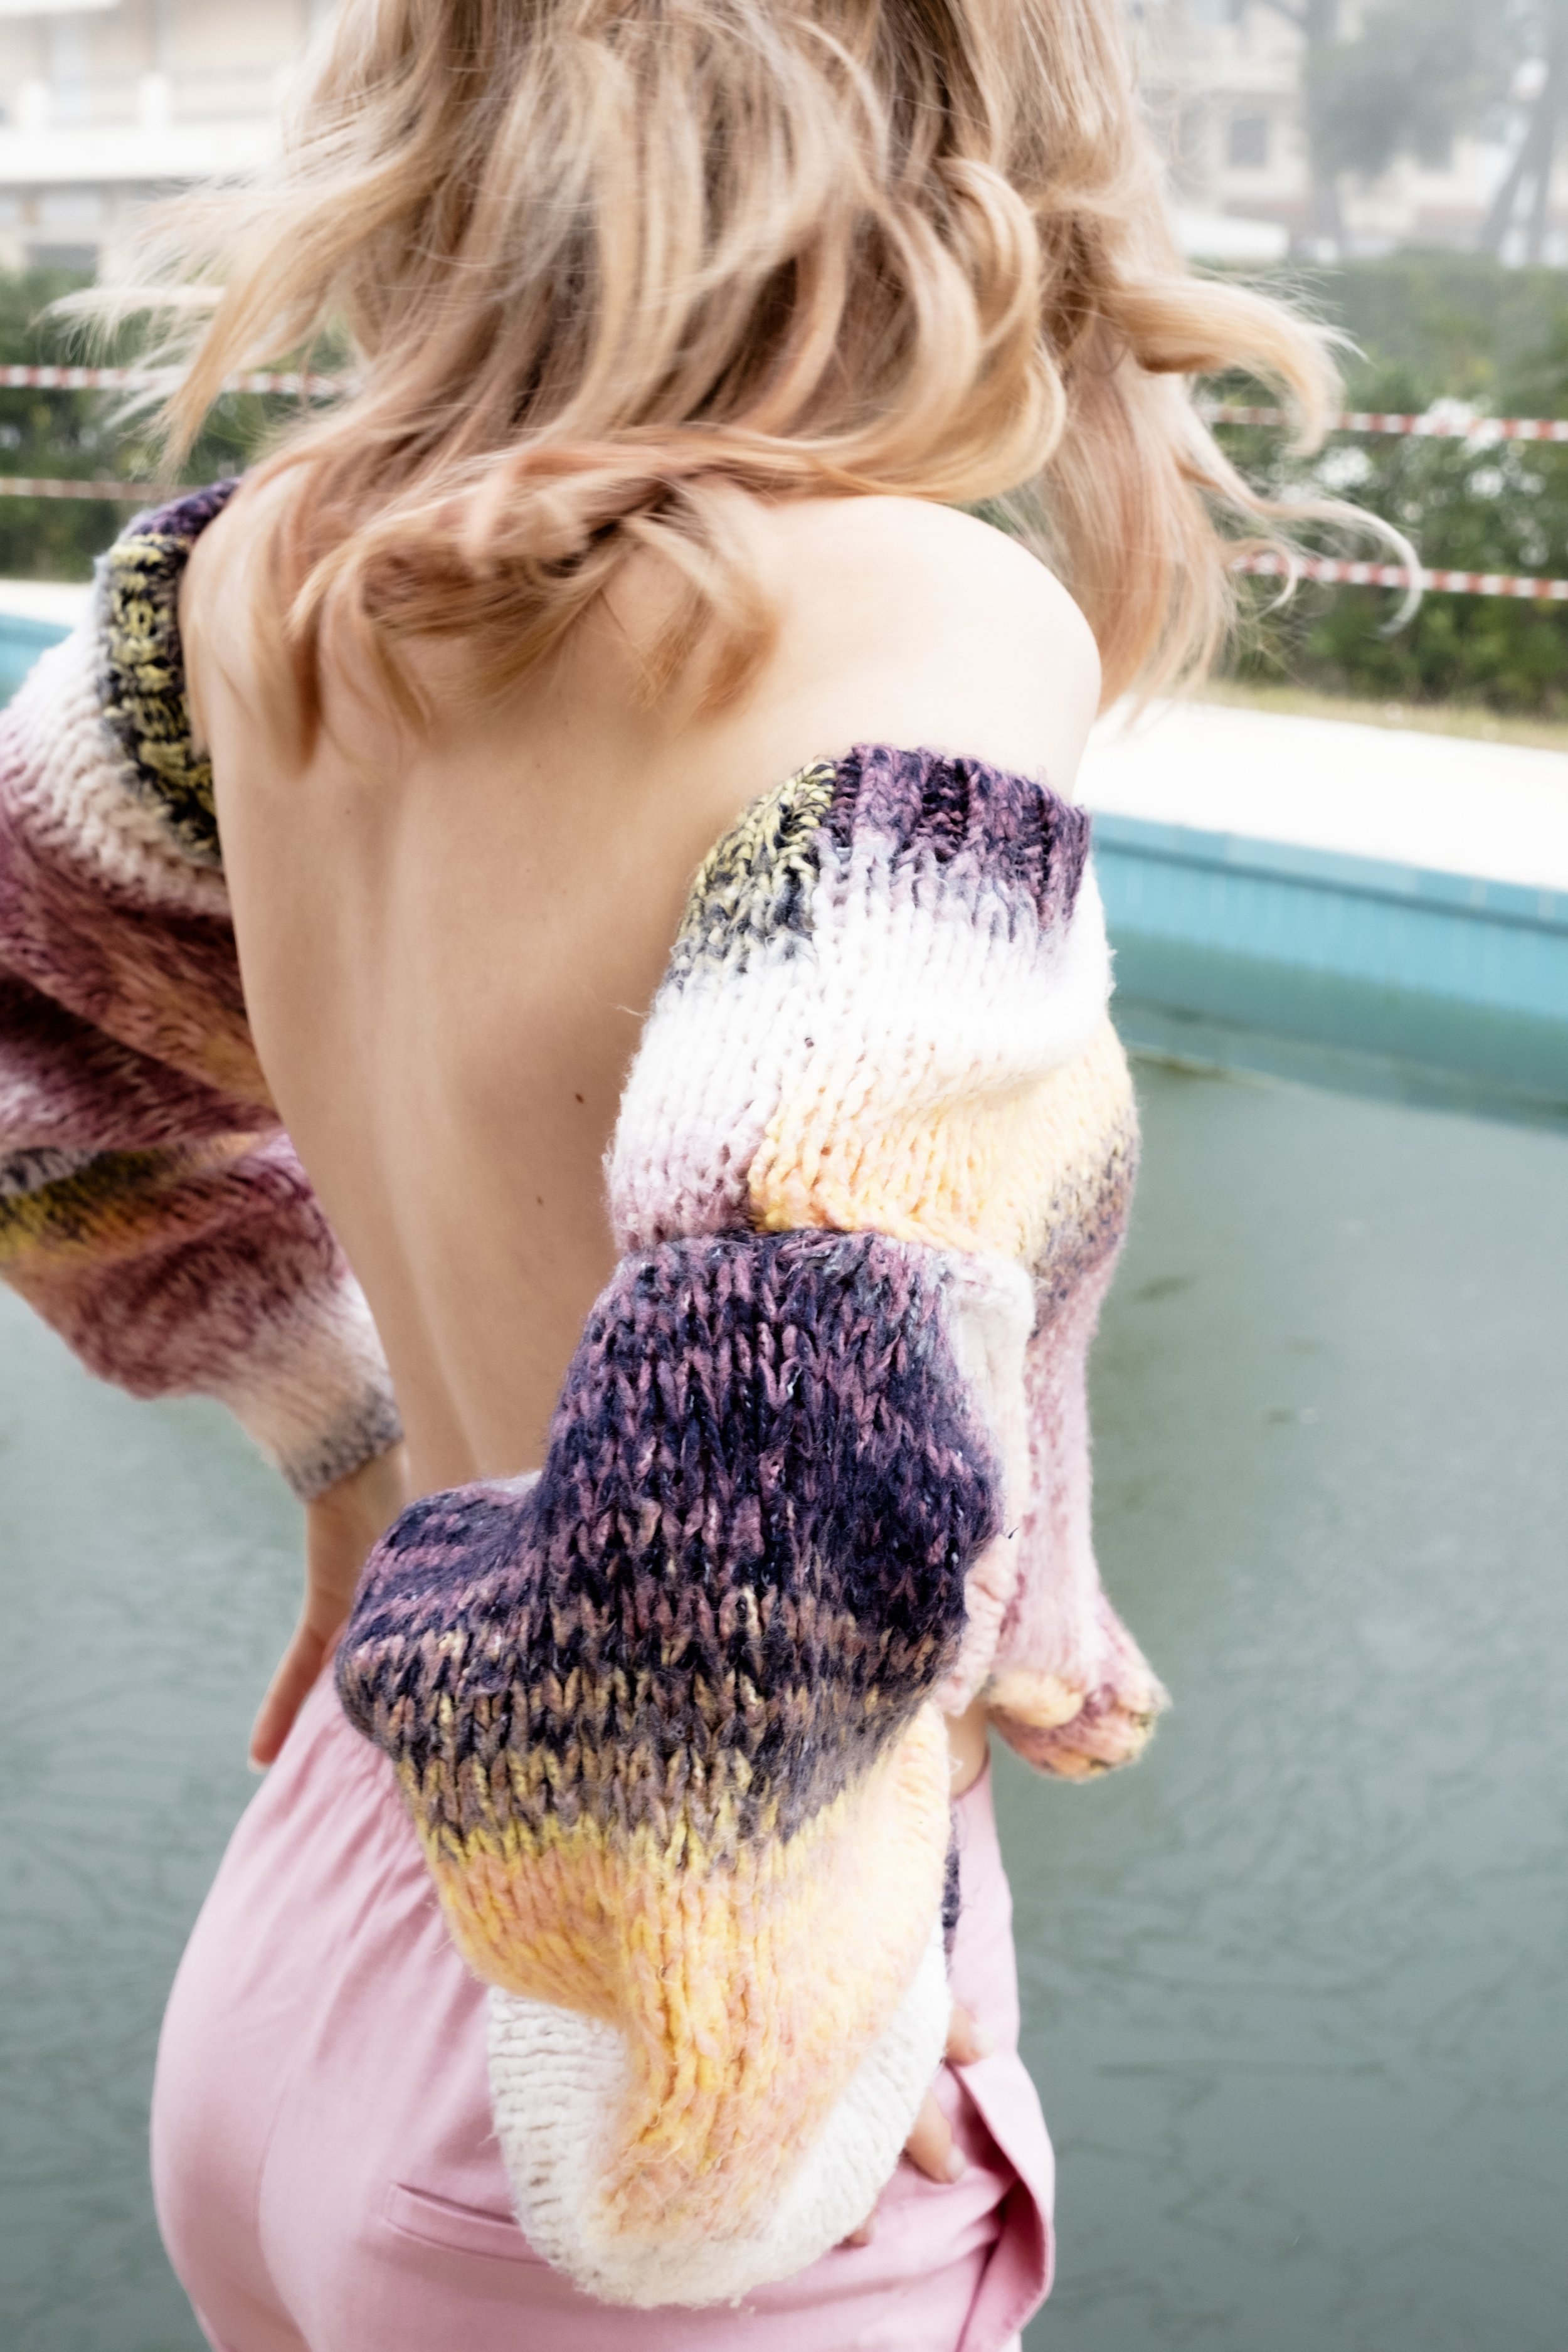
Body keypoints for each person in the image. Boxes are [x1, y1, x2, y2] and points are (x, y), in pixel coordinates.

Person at [0, 1, 1348, 2345]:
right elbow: (778, 1406)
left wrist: (349, 1447)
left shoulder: (246, 589)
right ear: (966, 127)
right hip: (650, 2065)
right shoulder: (916, 609)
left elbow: (39, 1055)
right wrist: (752, 2072)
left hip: (324, 1921)